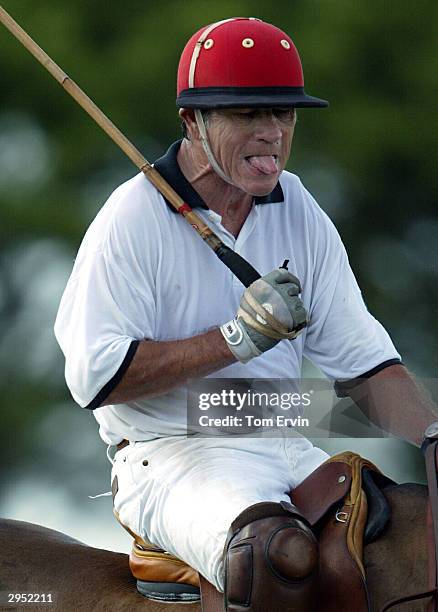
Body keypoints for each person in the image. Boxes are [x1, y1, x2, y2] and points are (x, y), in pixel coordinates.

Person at [54, 17, 438, 610]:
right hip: (169, 454)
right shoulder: (132, 216)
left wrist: (433, 436)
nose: (271, 134)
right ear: (193, 121)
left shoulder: (299, 207)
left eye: (283, 114)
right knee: (271, 555)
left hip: (284, 441)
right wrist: (235, 339)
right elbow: (95, 376)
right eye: (246, 114)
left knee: (406, 532)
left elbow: (367, 368)